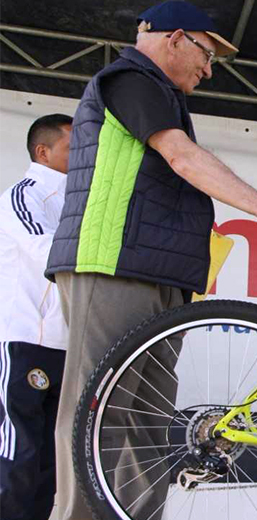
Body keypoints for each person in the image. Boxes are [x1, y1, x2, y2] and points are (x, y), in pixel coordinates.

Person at [44, 2, 257, 519]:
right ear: (175, 39)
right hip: (112, 266)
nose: (210, 68)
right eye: (208, 53)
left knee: (149, 420)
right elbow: (182, 156)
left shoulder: (160, 93)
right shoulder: (129, 79)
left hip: (160, 273)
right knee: (96, 408)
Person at [0, 114, 72, 520]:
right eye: (71, 146)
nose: (83, 154)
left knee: (49, 460)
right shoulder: (24, 194)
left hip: (66, 344)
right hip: (24, 338)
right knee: (18, 450)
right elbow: (48, 254)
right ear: (43, 152)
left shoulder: (79, 197)